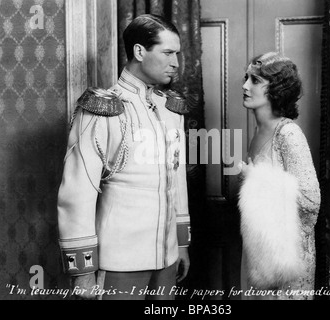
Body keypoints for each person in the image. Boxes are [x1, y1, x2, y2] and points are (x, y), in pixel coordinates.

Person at [57, 14, 191, 300]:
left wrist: (180, 245)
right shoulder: (102, 108)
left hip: (166, 259)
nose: (176, 63)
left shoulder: (169, 109)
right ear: (139, 52)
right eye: (168, 53)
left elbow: (176, 179)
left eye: (177, 54)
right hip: (119, 261)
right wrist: (82, 271)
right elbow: (77, 192)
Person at [238, 52, 320, 300]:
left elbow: (310, 200)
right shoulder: (258, 130)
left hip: (287, 259)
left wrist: (257, 180)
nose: (244, 86)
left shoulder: (288, 134)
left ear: (276, 89)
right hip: (258, 251)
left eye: (254, 80)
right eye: (246, 77)